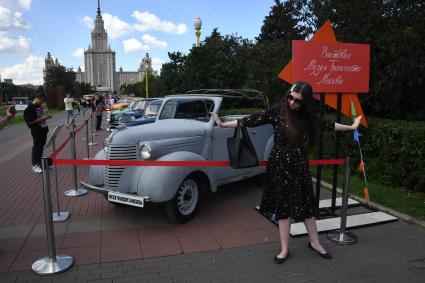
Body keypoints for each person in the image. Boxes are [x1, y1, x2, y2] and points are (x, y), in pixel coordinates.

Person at [211, 81, 362, 264]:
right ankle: (284, 249)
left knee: (307, 207)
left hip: (299, 164)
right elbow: (251, 120)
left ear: (305, 102)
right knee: (283, 209)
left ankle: (315, 243)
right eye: (289, 97)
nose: (291, 102)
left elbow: (328, 125)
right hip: (279, 164)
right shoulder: (277, 111)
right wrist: (222, 123)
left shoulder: (308, 117)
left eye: (297, 100)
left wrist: (351, 127)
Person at [24, 94, 52, 173]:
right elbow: (30, 122)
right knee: (36, 147)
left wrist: (45, 117)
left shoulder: (38, 107)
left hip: (43, 130)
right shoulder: (29, 109)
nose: (42, 103)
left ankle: (40, 163)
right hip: (36, 131)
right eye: (41, 101)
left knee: (41, 148)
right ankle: (34, 165)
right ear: (36, 98)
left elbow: (40, 117)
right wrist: (43, 118)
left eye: (43, 102)